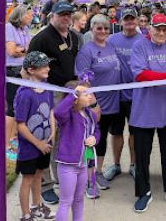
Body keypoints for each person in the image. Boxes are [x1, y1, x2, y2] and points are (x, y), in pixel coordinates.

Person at [129, 13, 166, 213]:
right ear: (150, 28)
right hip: (144, 108)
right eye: (158, 29)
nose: (161, 33)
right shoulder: (139, 45)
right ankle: (143, 192)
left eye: (165, 29)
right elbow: (140, 74)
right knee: (142, 154)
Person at [28, 0, 81, 205]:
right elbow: (29, 69)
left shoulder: (73, 37)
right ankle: (45, 185)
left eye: (69, 14)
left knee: (62, 137)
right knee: (46, 137)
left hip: (69, 94)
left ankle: (61, 176)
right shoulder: (41, 38)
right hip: (48, 94)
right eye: (62, 14)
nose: (66, 18)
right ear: (52, 16)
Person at [73, 14, 118, 195]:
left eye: (106, 28)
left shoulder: (111, 46)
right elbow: (83, 80)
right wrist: (92, 104)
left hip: (112, 102)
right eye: (99, 28)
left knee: (102, 139)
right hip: (94, 105)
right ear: (91, 29)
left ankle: (97, 172)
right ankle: (87, 179)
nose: (103, 31)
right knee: (89, 141)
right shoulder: (86, 51)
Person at [15, 51, 56, 221]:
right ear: (31, 70)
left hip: (45, 144)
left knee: (39, 175)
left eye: (48, 65)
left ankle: (36, 206)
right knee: (28, 179)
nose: (48, 69)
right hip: (30, 147)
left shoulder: (48, 87)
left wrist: (53, 131)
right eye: (43, 66)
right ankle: (26, 215)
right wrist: (38, 143)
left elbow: (51, 111)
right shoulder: (25, 94)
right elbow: (20, 124)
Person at [102, 8, 141, 183]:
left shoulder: (144, 40)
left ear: (137, 21)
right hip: (115, 95)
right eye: (126, 19)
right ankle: (116, 164)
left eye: (132, 19)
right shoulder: (111, 40)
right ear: (120, 22)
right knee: (116, 131)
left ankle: (133, 165)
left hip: (137, 96)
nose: (130, 22)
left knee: (134, 132)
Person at [53, 82, 100, 221]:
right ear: (75, 98)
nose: (90, 96)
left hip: (83, 164)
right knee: (66, 201)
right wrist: (74, 93)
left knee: (79, 199)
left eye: (90, 93)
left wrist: (94, 138)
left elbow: (96, 130)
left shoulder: (90, 114)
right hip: (68, 166)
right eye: (86, 94)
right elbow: (58, 112)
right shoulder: (68, 115)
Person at [6, 5, 34, 160]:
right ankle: (6, 145)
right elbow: (11, 51)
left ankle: (14, 139)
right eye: (28, 15)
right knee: (11, 107)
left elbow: (27, 49)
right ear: (20, 15)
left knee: (19, 106)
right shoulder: (9, 28)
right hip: (11, 70)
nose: (31, 17)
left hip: (23, 70)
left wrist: (21, 49)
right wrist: (23, 50)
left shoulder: (25, 29)